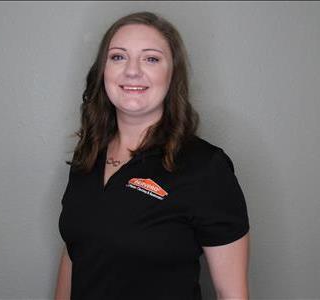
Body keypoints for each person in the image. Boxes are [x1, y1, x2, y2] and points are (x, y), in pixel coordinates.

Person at [55, 11, 250, 300]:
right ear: (103, 71)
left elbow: (231, 293)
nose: (132, 71)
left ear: (172, 74)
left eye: (151, 58)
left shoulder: (205, 168)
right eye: (118, 57)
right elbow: (75, 253)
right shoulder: (88, 157)